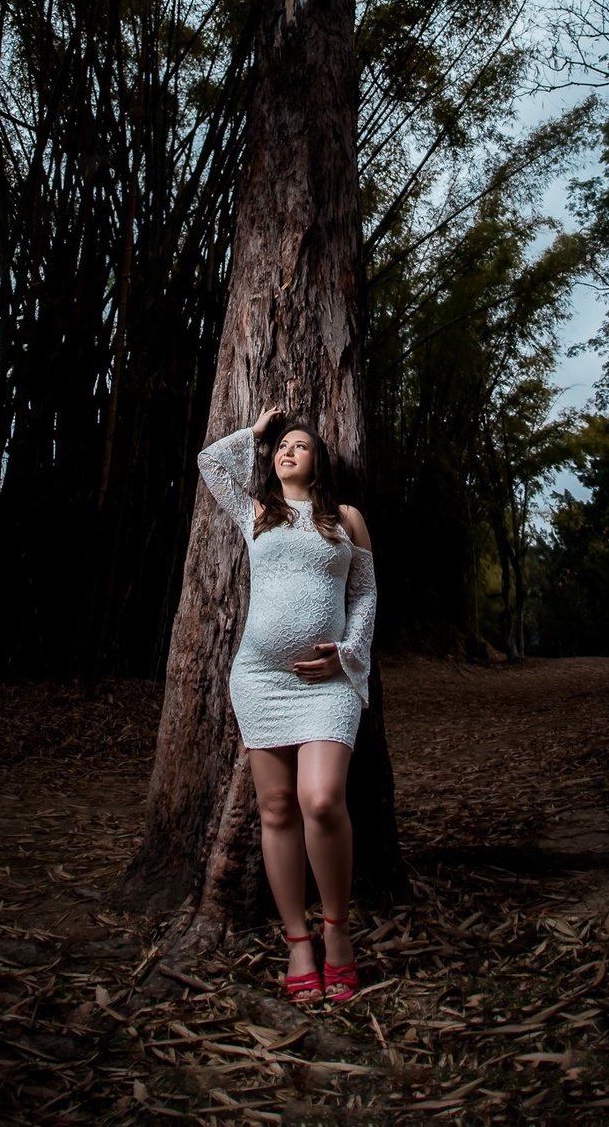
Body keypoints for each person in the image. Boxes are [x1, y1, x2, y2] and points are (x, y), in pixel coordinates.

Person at [196, 404, 377, 1003]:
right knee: (276, 809)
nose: (287, 451)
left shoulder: (345, 519)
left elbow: (366, 593)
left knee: (320, 800)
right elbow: (210, 464)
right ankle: (298, 942)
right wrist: (253, 432)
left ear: (319, 461)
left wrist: (347, 655)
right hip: (260, 677)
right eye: (281, 447)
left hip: (328, 681)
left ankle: (337, 932)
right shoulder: (257, 514)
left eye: (300, 445)